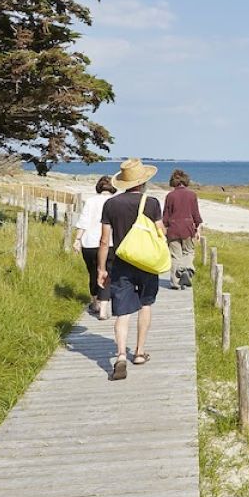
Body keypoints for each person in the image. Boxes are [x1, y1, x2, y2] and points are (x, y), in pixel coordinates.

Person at [98, 158, 164, 381]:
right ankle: (138, 352)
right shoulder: (152, 203)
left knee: (122, 312)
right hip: (146, 262)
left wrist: (101, 269)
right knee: (146, 304)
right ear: (143, 181)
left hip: (120, 263)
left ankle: (120, 356)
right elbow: (160, 233)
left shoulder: (111, 204)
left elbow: (104, 240)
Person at [72, 175, 116, 318]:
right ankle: (104, 308)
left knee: (93, 272)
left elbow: (83, 221)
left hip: (90, 243)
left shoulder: (90, 201)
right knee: (106, 273)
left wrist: (77, 239)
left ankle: (95, 303)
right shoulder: (114, 201)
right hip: (109, 243)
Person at [162, 168, 202, 289]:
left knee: (175, 255)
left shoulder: (170, 196)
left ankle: (175, 282)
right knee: (189, 252)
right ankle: (186, 270)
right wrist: (198, 229)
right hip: (188, 228)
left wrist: (164, 230)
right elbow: (196, 214)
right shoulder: (192, 195)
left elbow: (166, 216)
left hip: (173, 229)